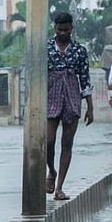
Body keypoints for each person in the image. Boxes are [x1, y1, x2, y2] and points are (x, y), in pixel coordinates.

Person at [46, 12, 93, 201]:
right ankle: (51, 170)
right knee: (48, 141)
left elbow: (85, 79)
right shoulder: (46, 48)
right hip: (51, 95)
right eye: (60, 30)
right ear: (55, 29)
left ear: (72, 29)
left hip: (72, 96)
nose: (63, 33)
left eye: (67, 30)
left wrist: (90, 107)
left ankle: (59, 188)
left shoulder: (80, 51)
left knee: (67, 144)